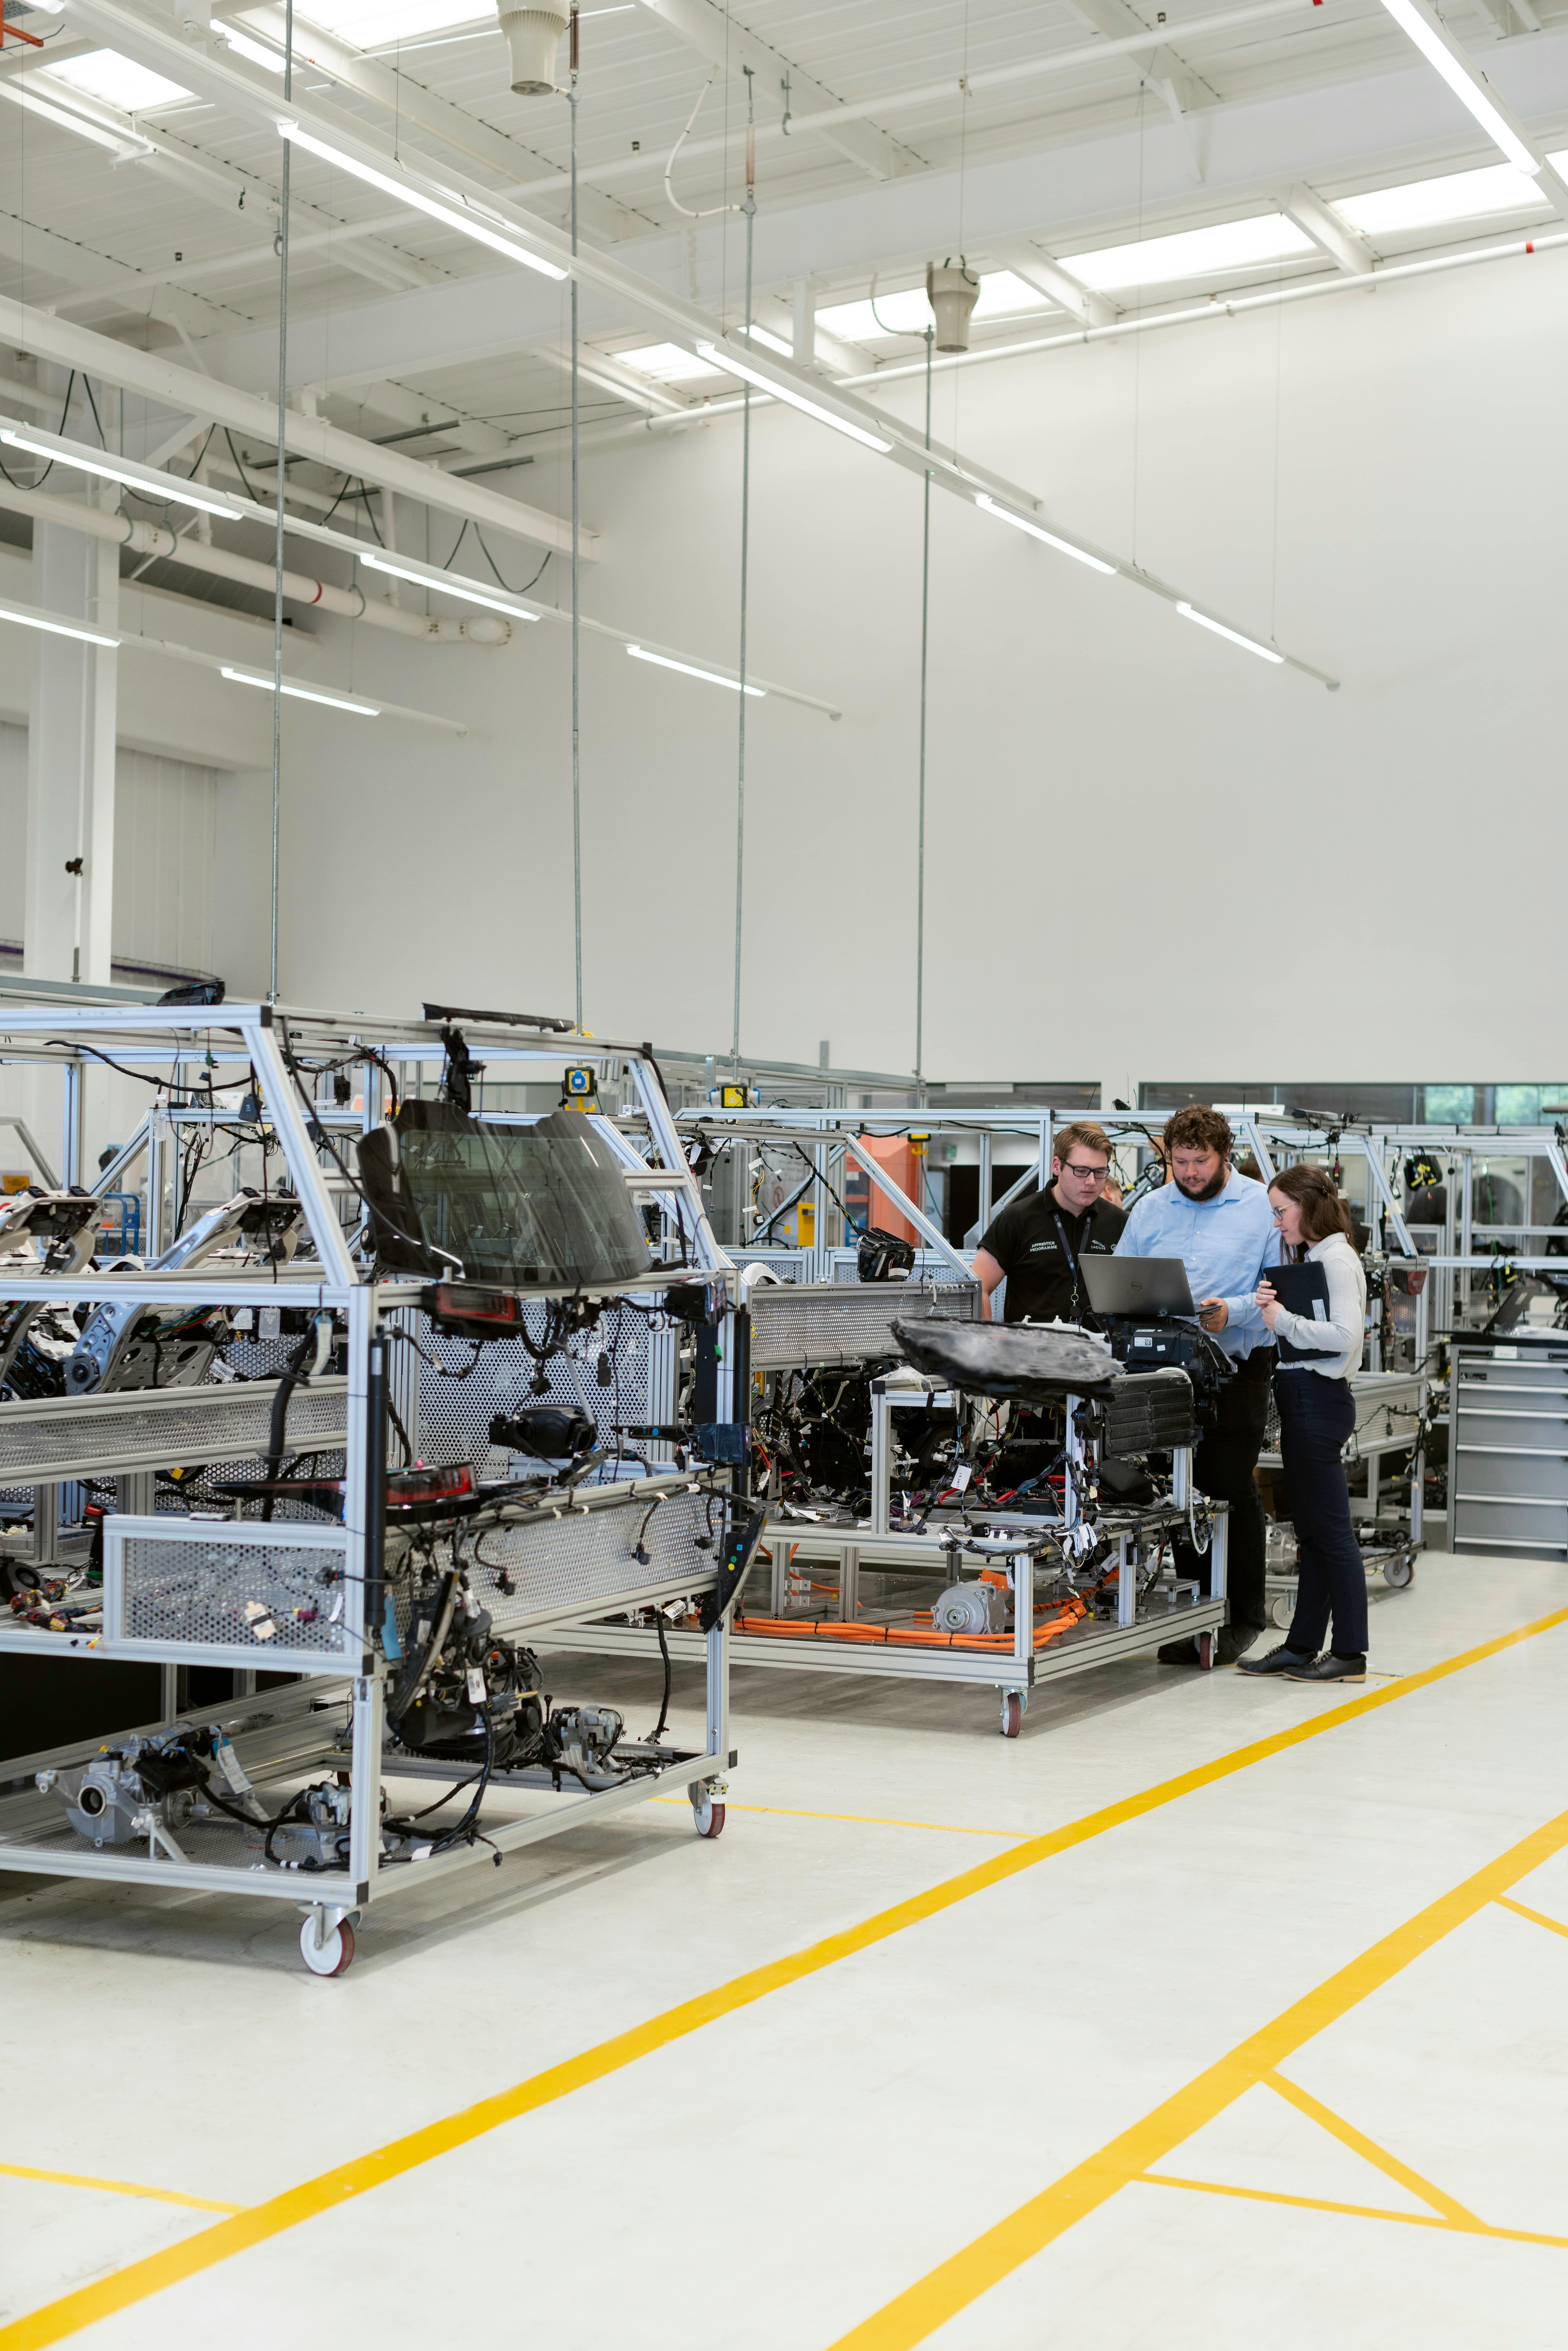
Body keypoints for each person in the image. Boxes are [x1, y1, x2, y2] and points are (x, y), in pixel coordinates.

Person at [1115, 1105, 1276, 1665]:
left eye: (1200, 1161)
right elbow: (1122, 1277)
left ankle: (1242, 1617)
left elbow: (1276, 1288)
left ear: (1224, 1154)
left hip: (1236, 1367)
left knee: (1226, 1485)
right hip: (1167, 1372)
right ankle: (1196, 1615)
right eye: (1179, 1162)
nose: (1189, 1172)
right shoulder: (1150, 1209)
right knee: (1180, 1492)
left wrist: (1231, 1311)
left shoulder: (1260, 1206)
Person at [1240, 1163, 1371, 1683]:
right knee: (1314, 1535)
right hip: (1303, 1397)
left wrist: (1285, 1322)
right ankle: (1301, 1646)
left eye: (1281, 1211)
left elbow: (1346, 1337)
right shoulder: (1316, 1258)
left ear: (1307, 1205)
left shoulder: (1335, 1259)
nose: (1277, 1223)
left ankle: (1350, 1653)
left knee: (1332, 1534)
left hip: (1318, 1400)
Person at [972, 1122, 1127, 1326]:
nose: (1091, 1181)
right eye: (1081, 1171)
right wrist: (986, 1338)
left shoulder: (1120, 1223)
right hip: (1031, 1343)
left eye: (1100, 1172)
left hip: (1100, 1343)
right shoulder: (1017, 1219)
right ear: (1057, 1166)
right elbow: (978, 1286)